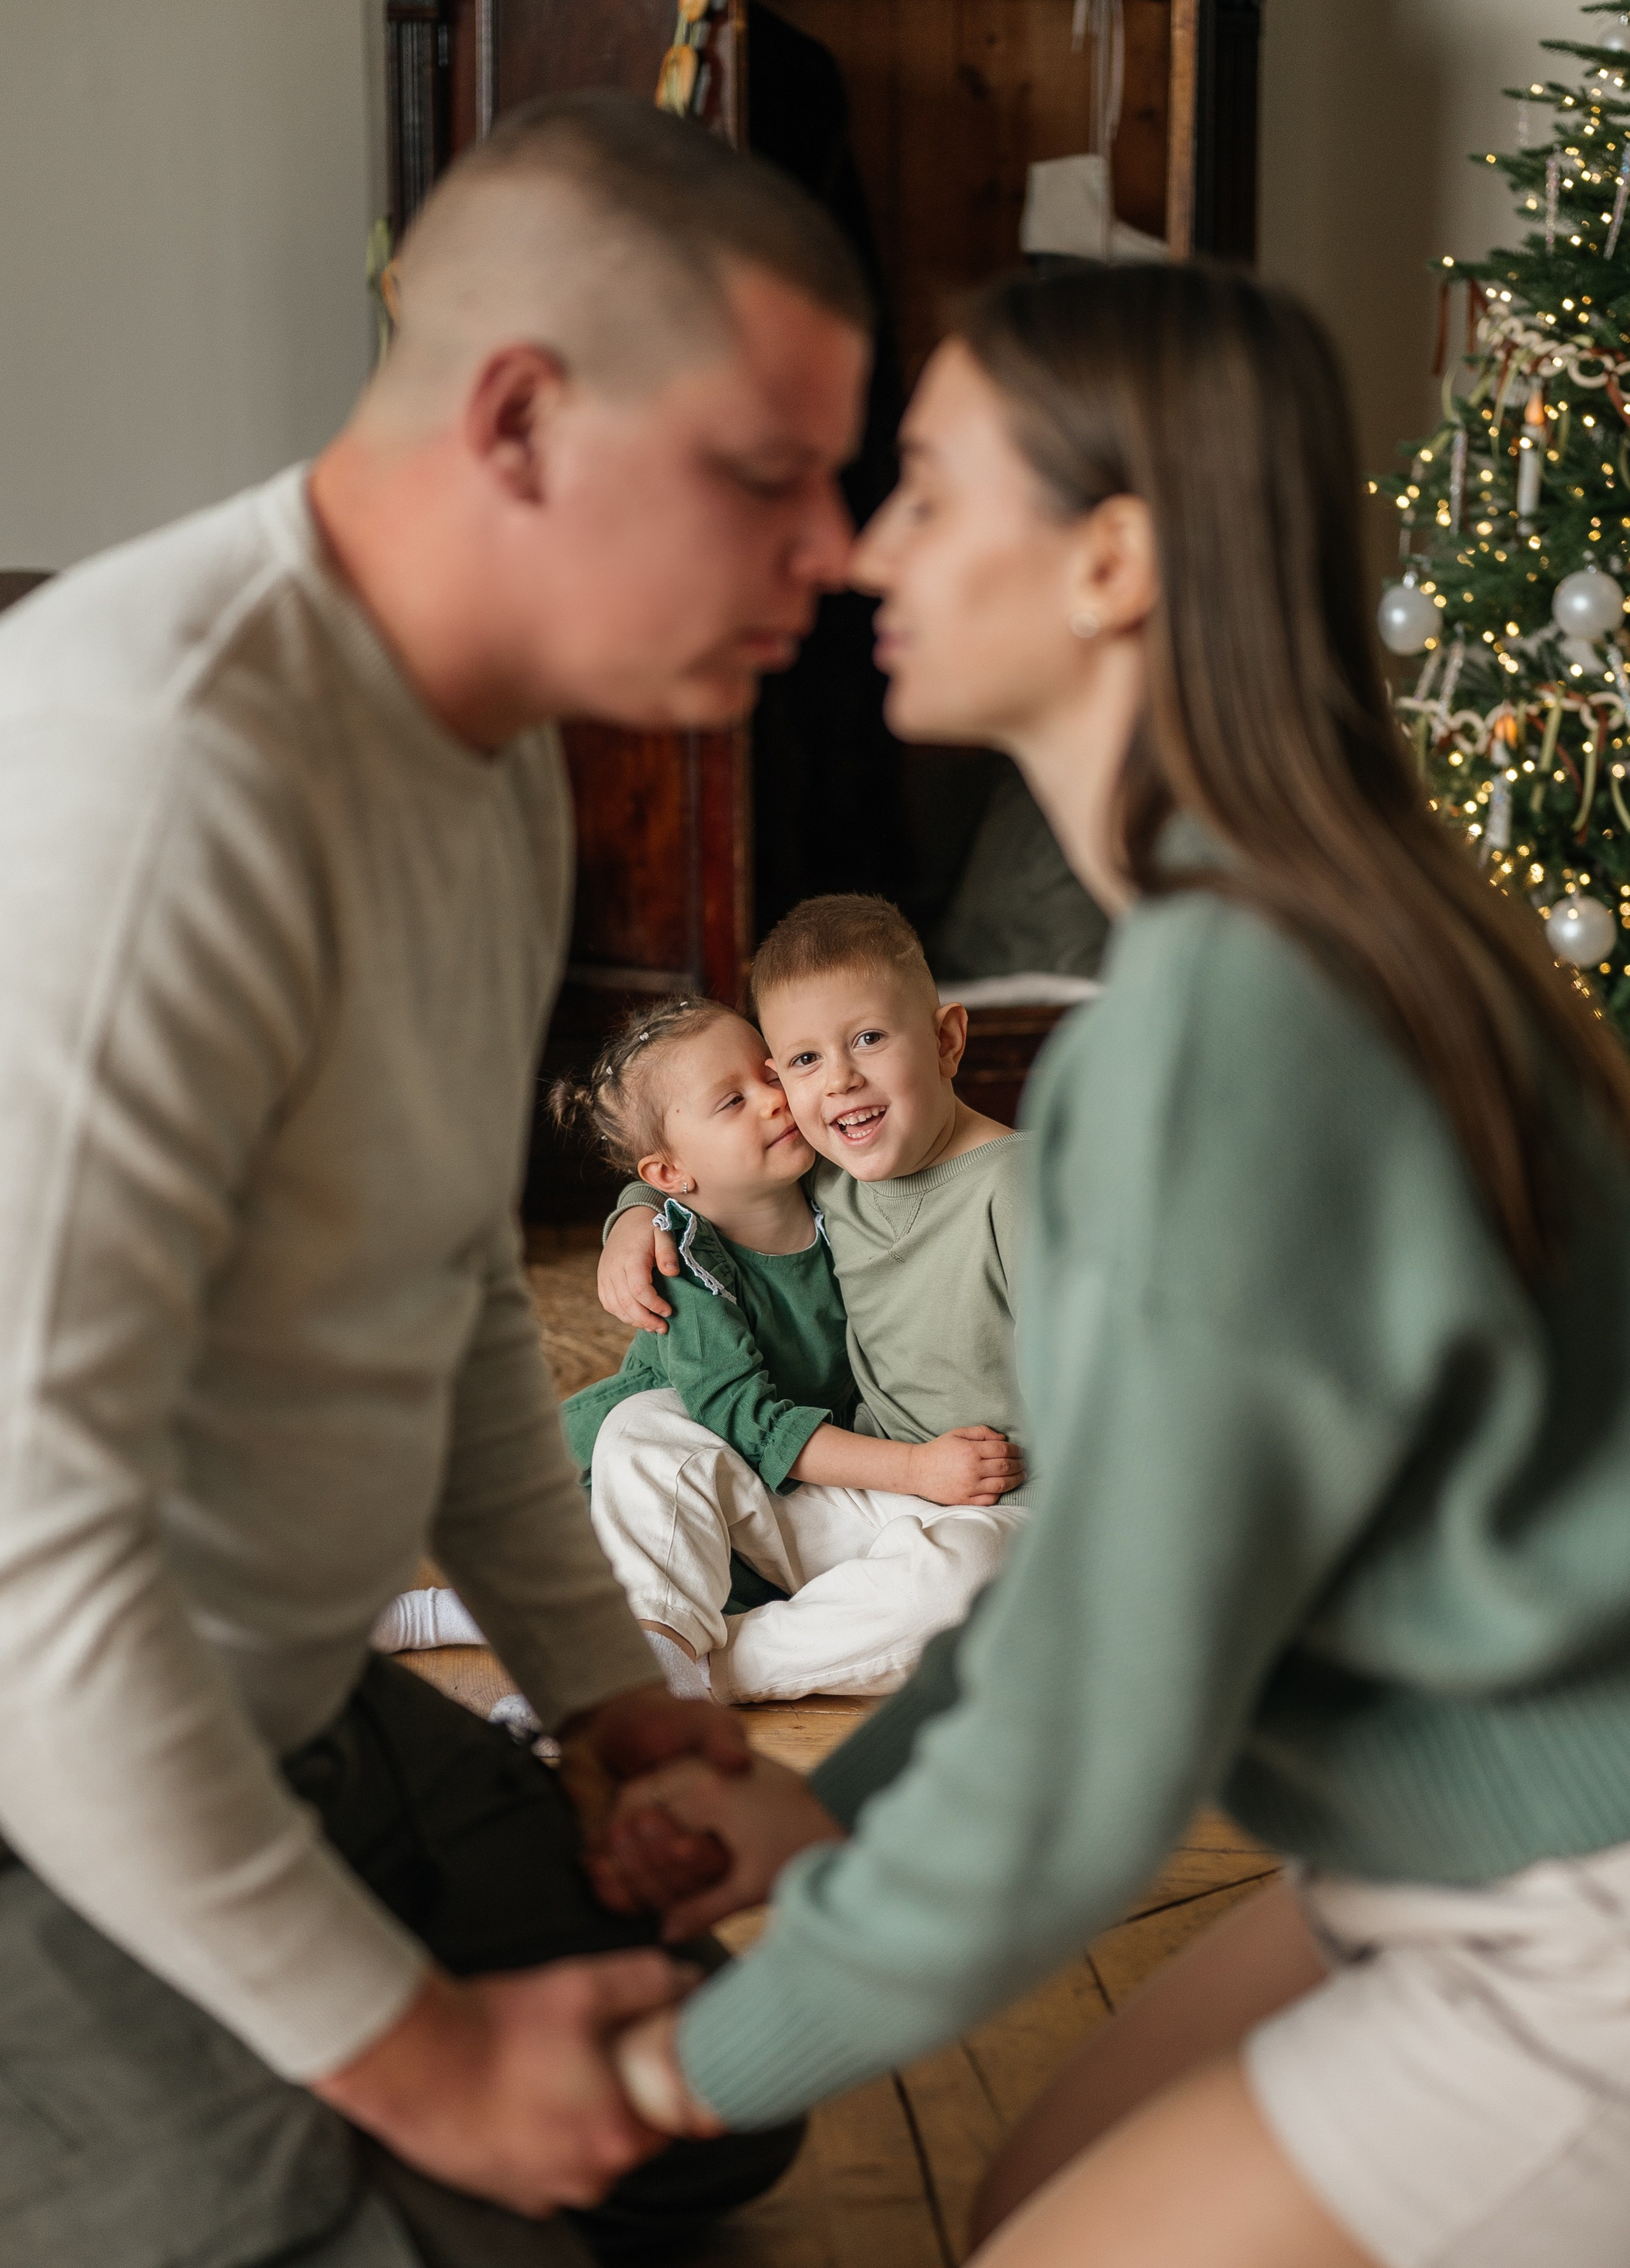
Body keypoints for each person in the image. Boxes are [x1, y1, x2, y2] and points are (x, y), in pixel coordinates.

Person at [584, 262, 1630, 2268]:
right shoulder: (1281, 925)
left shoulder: (1233, 1011)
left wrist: (673, 2074)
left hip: (1574, 1899)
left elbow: (1088, 1766)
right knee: (1028, 2194)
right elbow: (1101, 1593)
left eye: (929, 488)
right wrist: (841, 1808)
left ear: (1111, 561)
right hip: (1461, 1838)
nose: (865, 539)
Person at [0, 92, 872, 2265]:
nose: (830, 555)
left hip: (263, 1687)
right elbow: (33, 1585)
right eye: (765, 478)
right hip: (45, 1744)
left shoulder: (491, 772)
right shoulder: (158, 776)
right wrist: (413, 2056)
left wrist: (604, 1696)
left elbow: (454, 1294)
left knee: (699, 2116)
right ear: (519, 416)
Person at [381, 993, 1023, 1702]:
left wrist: (632, 1208)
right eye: (732, 1101)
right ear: (670, 1173)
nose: (775, 1102)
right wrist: (914, 1467)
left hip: (813, 1493)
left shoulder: (835, 1182)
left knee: (974, 1573)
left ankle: (668, 1671)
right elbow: (746, 1422)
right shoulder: (686, 1262)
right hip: (681, 1492)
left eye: (772, 1075)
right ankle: (552, 1640)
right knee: (647, 1444)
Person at [595, 892, 1031, 1689]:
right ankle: (658, 1633)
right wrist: (634, 1216)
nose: (839, 1081)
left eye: (867, 1038)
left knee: (969, 1576)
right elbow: (707, 1175)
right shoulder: (835, 1166)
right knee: (645, 1422)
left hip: (998, 1511)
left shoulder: (1024, 1187)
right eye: (801, 1061)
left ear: (946, 1039)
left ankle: (683, 1672)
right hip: (864, 1493)